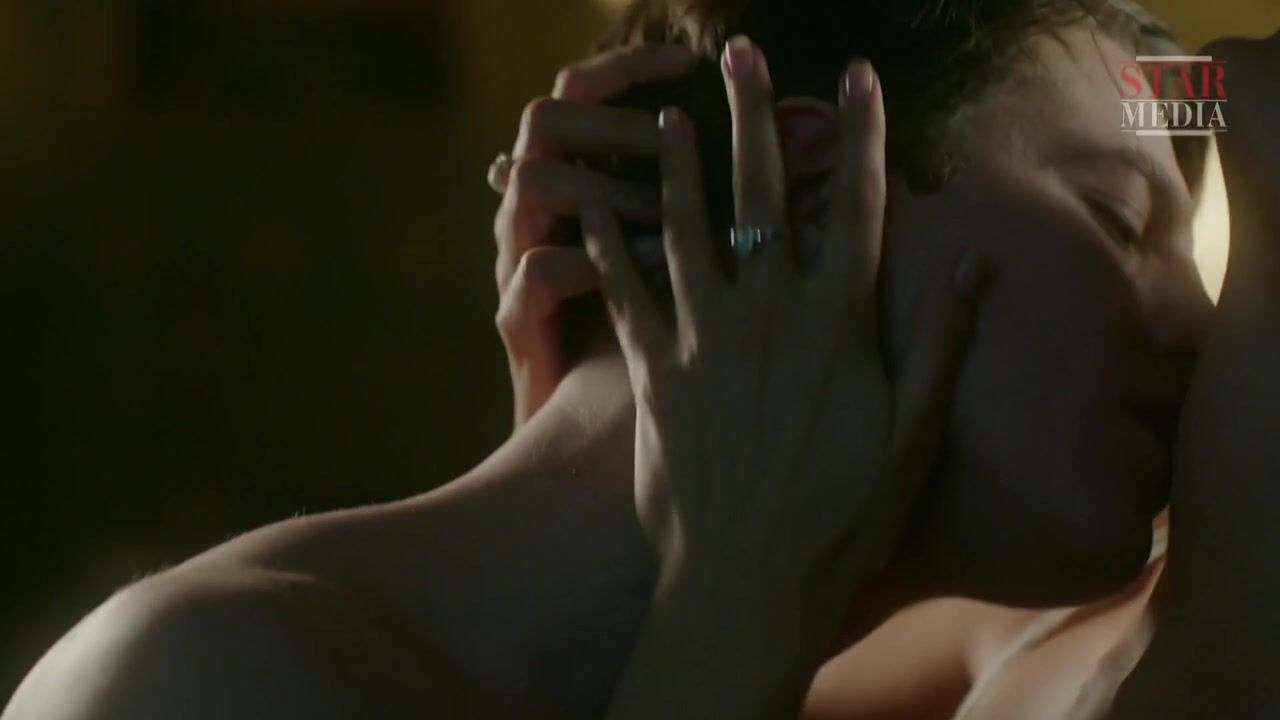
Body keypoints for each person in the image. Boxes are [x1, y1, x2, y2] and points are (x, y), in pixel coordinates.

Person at [4, 1, 1278, 719]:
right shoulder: (207, 682)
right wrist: (727, 615)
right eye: (1115, 219)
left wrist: (1213, 90)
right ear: (818, 195)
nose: (1192, 320)